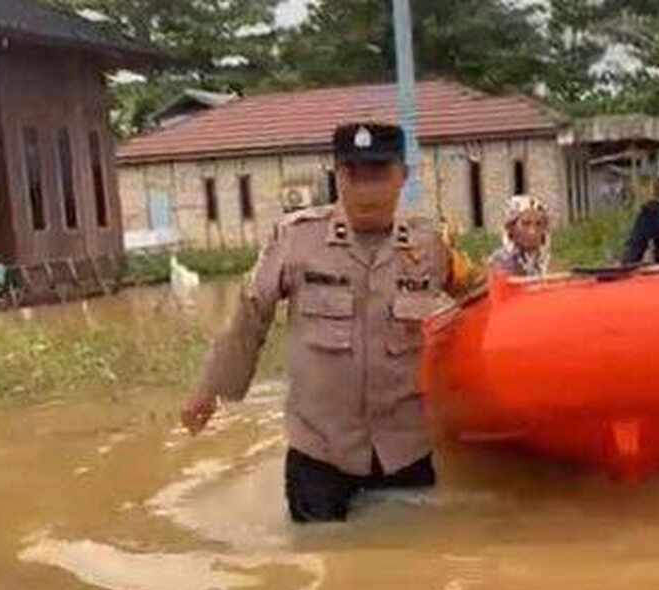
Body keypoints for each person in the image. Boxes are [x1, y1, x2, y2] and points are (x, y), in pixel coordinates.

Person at [180, 122, 478, 524]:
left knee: (416, 576)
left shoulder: (429, 247)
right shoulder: (296, 239)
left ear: (402, 177)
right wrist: (210, 389)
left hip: (405, 452)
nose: (366, 190)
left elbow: (480, 297)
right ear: (338, 176)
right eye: (355, 175)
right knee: (323, 563)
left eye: (378, 175)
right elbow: (251, 315)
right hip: (320, 454)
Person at [488, 195, 551, 277]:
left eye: (538, 224)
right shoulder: (501, 261)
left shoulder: (541, 260)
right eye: (525, 224)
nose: (532, 231)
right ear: (511, 228)